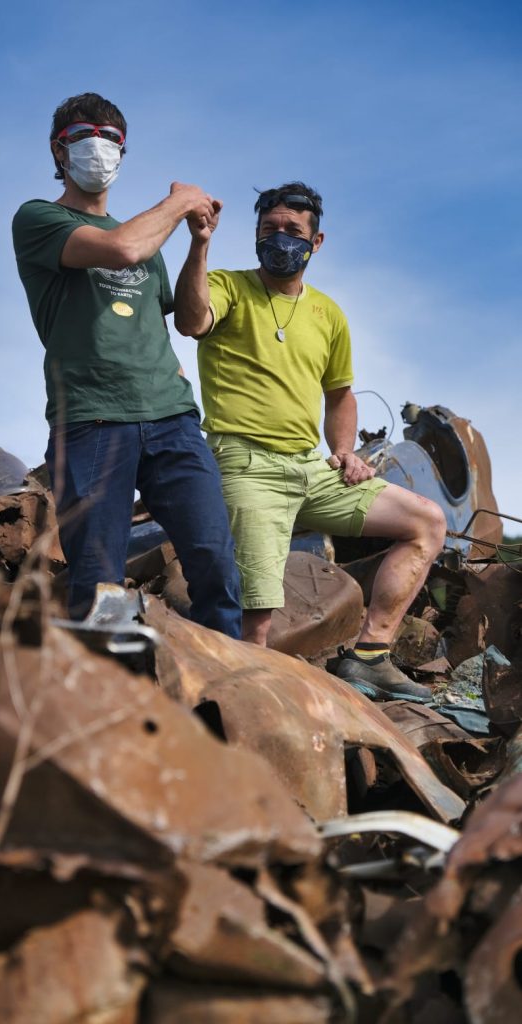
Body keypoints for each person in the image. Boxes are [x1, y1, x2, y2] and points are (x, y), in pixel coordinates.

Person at [174, 181, 446, 700]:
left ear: (316, 242)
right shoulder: (228, 286)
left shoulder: (328, 314)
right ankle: (238, 720)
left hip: (312, 470)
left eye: (293, 231)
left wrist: (344, 451)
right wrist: (200, 243)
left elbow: (340, 395)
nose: (280, 239)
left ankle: (370, 656)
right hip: (246, 466)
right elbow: (191, 321)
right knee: (257, 622)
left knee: (426, 522)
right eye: (268, 230)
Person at [12, 92, 241, 638]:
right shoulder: (40, 219)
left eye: (111, 139)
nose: (100, 148)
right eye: (84, 138)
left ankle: (229, 698)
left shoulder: (147, 235)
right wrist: (183, 200)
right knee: (99, 585)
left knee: (215, 561)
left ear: (123, 151)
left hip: (172, 420)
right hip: (92, 423)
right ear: (58, 151)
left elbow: (189, 320)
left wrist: (198, 245)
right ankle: (108, 707)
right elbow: (121, 249)